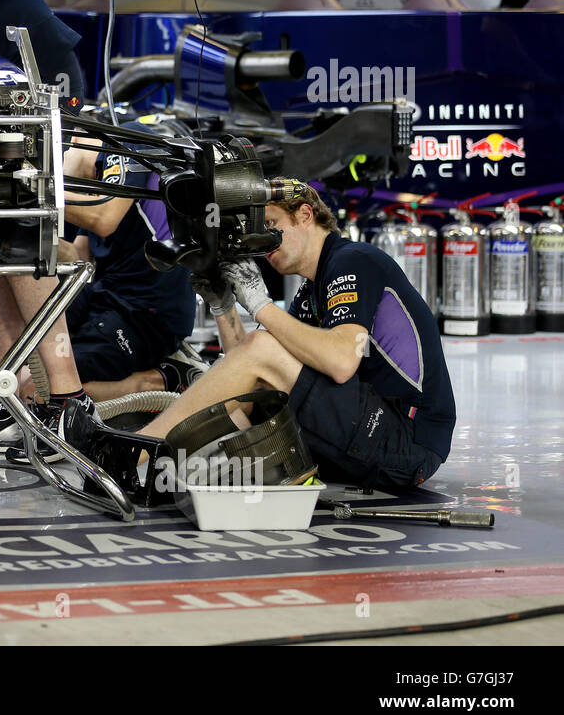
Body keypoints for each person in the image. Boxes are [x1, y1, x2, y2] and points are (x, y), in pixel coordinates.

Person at [136, 182, 456, 488]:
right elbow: (249, 370)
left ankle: (138, 452)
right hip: (376, 429)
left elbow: (342, 360)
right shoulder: (312, 289)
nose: (265, 240)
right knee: (259, 377)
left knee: (264, 348)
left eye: (272, 223)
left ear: (305, 215)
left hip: (407, 440)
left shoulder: (353, 260)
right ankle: (167, 465)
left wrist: (260, 305)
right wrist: (225, 307)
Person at [0, 135, 204, 461]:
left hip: (143, 314)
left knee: (34, 387)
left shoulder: (123, 146)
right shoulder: (97, 180)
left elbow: (103, 220)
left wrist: (32, 191)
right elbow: (81, 260)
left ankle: (94, 398)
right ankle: (7, 392)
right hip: (101, 294)